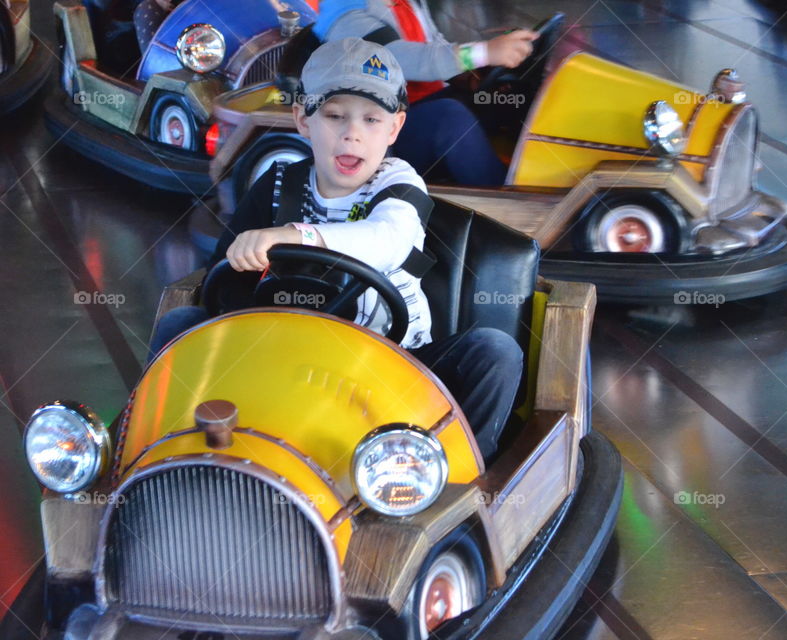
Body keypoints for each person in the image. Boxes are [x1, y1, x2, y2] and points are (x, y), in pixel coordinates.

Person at [150, 38, 523, 462]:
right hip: (286, 357)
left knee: (495, 352)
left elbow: (389, 239)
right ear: (303, 121)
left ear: (395, 128)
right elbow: (223, 280)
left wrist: (292, 236)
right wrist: (246, 293)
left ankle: (454, 479)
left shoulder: (398, 186)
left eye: (371, 119)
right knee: (181, 323)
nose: (352, 134)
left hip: (396, 365)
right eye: (334, 116)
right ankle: (156, 453)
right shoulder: (276, 186)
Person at [308, 0, 540, 186]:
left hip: (419, 104)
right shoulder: (347, 10)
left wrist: (471, 76)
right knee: (450, 117)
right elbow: (396, 58)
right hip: (380, 126)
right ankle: (506, 204)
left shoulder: (406, 4)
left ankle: (533, 179)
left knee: (505, 99)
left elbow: (434, 46)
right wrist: (482, 53)